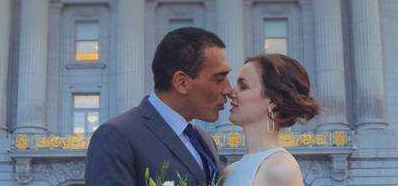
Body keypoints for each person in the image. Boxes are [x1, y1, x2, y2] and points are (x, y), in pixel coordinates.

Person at [85, 27, 232, 186]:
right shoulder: (117, 136)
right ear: (181, 83)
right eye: (218, 80)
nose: (228, 90)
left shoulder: (205, 140)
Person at [223, 54, 320, 186]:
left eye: (243, 86)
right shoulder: (229, 172)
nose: (231, 93)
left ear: (272, 100)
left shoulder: (282, 169)